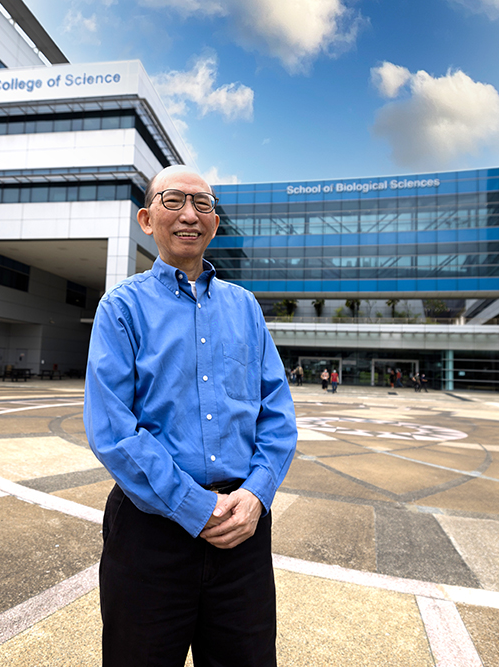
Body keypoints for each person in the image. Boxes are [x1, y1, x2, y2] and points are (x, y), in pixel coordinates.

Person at [84, 165, 298, 667]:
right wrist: (191, 506)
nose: (189, 215)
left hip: (241, 530)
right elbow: (112, 429)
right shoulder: (121, 308)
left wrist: (257, 493)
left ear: (215, 223)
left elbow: (277, 414)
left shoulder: (246, 308)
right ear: (146, 218)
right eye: (173, 200)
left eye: (202, 204)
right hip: (150, 532)